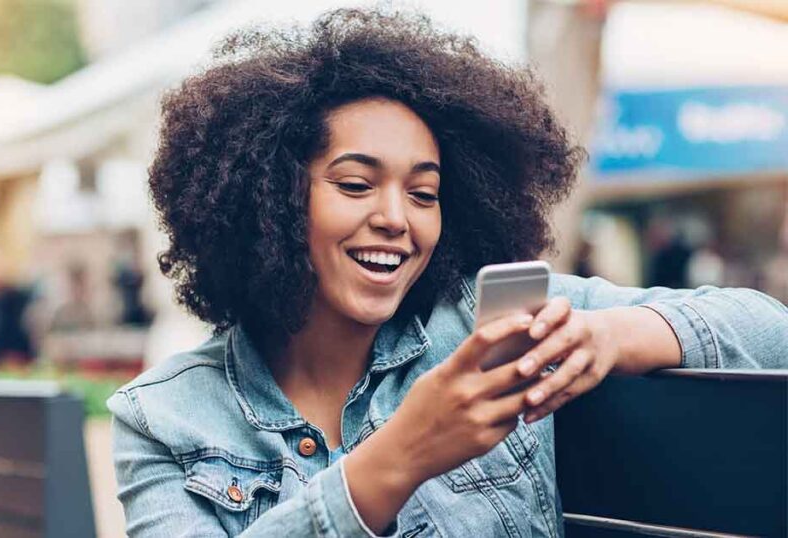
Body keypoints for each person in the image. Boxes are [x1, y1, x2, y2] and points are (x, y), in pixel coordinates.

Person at [106, 9, 788, 537]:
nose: (397, 218)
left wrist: (610, 335)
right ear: (269, 199)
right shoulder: (164, 418)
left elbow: (770, 330)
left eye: (425, 193)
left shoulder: (480, 327)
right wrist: (398, 456)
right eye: (355, 185)